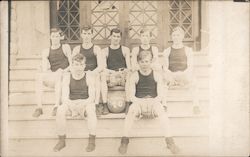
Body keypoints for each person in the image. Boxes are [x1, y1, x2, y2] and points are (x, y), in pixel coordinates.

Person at [118, 51, 179, 154]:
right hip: (139, 102)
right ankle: (124, 140)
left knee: (162, 112)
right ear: (138, 62)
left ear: (151, 62)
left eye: (147, 61)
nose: (144, 64)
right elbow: (131, 96)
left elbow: (160, 95)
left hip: (153, 102)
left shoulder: (156, 75)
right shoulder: (134, 76)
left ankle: (170, 141)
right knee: (131, 111)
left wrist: (152, 102)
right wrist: (141, 102)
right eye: (142, 61)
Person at [53, 53, 97, 152]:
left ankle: (92, 141)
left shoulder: (89, 77)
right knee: (60, 110)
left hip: (85, 103)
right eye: (76, 64)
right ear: (72, 65)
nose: (78, 67)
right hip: (71, 103)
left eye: (81, 65)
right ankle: (61, 140)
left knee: (91, 109)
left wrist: (83, 104)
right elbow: (64, 97)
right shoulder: (67, 77)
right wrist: (71, 105)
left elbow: (92, 97)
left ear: (84, 66)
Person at [32, 28, 72, 117]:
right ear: (50, 37)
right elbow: (45, 68)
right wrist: (42, 67)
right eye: (53, 36)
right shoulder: (46, 51)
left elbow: (72, 65)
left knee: (58, 75)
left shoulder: (65, 47)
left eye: (57, 36)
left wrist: (63, 70)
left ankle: (56, 105)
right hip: (54, 76)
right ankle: (39, 107)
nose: (55, 38)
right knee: (39, 76)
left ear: (60, 37)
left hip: (65, 75)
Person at [162, 26, 200, 114]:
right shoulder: (167, 51)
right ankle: (164, 105)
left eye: (178, 35)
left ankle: (196, 105)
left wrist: (182, 74)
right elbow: (165, 67)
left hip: (184, 75)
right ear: (171, 37)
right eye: (174, 35)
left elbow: (190, 66)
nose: (176, 37)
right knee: (163, 80)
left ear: (182, 36)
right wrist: (172, 75)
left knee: (193, 80)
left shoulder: (188, 50)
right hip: (171, 75)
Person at [72, 25, 103, 116]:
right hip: (81, 73)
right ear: (81, 35)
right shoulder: (77, 49)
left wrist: (93, 72)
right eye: (84, 34)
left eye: (89, 34)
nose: (86, 36)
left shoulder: (96, 48)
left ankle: (96, 104)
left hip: (93, 73)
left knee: (97, 77)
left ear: (92, 35)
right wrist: (81, 72)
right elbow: (72, 64)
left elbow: (100, 66)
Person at [100, 28, 131, 115]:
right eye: (114, 36)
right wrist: (113, 73)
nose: (116, 38)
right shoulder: (105, 51)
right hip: (111, 76)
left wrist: (122, 72)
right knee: (102, 76)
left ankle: (128, 103)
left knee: (130, 75)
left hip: (122, 76)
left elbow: (129, 67)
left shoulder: (125, 50)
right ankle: (105, 104)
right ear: (110, 37)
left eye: (118, 36)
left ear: (120, 38)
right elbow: (103, 68)